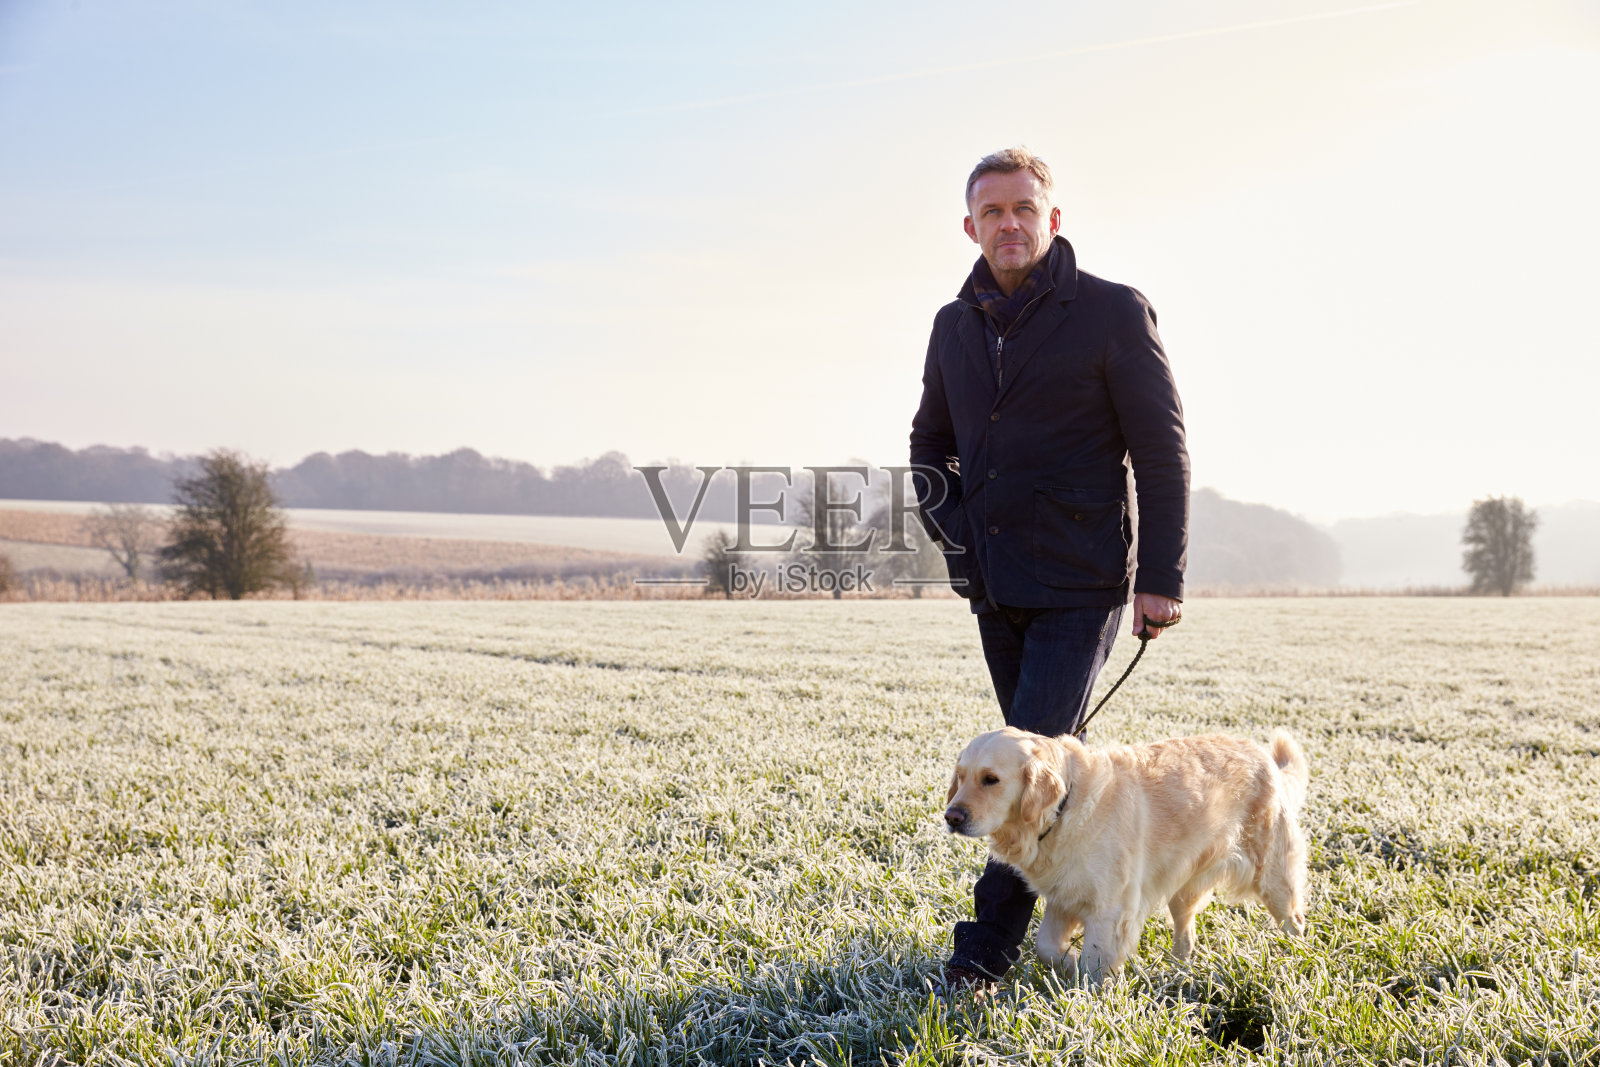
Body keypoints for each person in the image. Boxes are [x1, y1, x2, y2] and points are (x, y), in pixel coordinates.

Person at [909, 146, 1189, 994]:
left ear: (1052, 218)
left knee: (1027, 761)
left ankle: (982, 950)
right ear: (971, 226)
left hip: (1082, 583)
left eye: (1025, 208)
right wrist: (958, 535)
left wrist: (1162, 572)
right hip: (995, 587)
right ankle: (1088, 891)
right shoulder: (953, 325)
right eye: (992, 212)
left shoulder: (1110, 312)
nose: (1010, 224)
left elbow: (1162, 449)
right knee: (1035, 769)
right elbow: (929, 445)